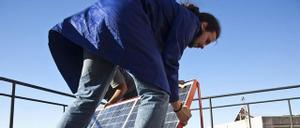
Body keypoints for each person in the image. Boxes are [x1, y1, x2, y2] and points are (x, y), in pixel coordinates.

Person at [48, 0, 221, 127]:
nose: (202, 47)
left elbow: (155, 65)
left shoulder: (167, 17)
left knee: (87, 97)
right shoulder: (190, 20)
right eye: (207, 40)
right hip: (128, 19)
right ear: (203, 25)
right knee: (157, 94)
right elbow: (170, 60)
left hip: (99, 20)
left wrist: (171, 83)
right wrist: (177, 107)